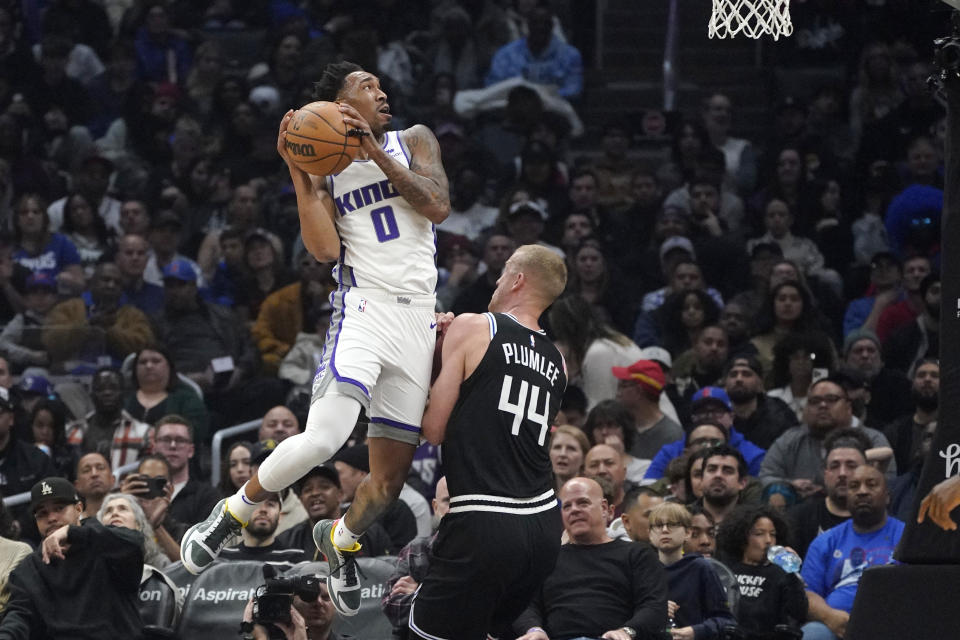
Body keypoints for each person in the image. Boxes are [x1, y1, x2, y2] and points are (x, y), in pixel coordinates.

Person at [180, 63, 452, 611]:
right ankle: (231, 513)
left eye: (380, 84)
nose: (382, 91)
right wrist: (298, 172)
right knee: (325, 438)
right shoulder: (325, 168)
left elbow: (437, 205)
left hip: (420, 317)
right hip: (364, 309)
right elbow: (326, 251)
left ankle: (340, 540)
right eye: (366, 86)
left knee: (389, 480)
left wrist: (374, 150)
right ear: (336, 105)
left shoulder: (413, 139)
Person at [404, 244, 567, 639]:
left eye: (502, 272)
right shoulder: (558, 360)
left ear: (518, 279)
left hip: (486, 517)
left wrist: (436, 352)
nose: (495, 281)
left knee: (423, 631)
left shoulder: (476, 325)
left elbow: (434, 430)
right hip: (543, 526)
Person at [513, 477, 668, 640]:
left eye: (583, 503)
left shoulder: (637, 555)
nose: (574, 510)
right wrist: (533, 630)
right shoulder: (546, 559)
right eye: (567, 506)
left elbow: (654, 606)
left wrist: (627, 631)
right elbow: (524, 604)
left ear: (605, 509)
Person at [0, 477, 144, 638]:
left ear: (78, 509)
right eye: (42, 513)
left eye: (59, 508)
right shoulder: (29, 569)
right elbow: (19, 615)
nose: (52, 518)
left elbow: (134, 543)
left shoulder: (106, 544)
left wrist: (72, 533)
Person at [800, 465, 904, 640]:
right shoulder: (826, 541)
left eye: (871, 485)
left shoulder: (906, 537)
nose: (862, 491)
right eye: (854, 486)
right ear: (847, 497)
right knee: (813, 633)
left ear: (887, 496)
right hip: (838, 627)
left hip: (895, 624)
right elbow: (807, 594)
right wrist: (830, 617)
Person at [759, 377, 895, 497]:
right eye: (815, 401)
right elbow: (765, 476)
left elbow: (888, 482)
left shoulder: (874, 439)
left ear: (848, 407)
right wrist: (790, 486)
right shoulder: (790, 440)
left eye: (831, 400)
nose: (822, 405)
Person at [716, 505, 807, 638]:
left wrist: (793, 575)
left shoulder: (781, 574)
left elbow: (799, 614)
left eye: (773, 534)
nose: (768, 540)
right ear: (742, 538)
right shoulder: (727, 570)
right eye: (759, 534)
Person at [648, 502, 735, 639]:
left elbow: (726, 621)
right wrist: (653, 610)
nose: (665, 530)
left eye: (672, 524)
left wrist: (696, 631)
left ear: (687, 533)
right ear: (650, 535)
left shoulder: (702, 568)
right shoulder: (642, 571)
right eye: (658, 526)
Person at [275, 463, 393, 563]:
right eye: (307, 489)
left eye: (324, 487)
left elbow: (387, 572)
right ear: (301, 499)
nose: (315, 493)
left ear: (340, 495)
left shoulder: (371, 533)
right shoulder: (288, 540)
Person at [381, 476, 451, 639]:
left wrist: (420, 593)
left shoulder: (486, 549)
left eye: (459, 501)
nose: (453, 509)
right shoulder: (417, 549)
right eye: (447, 501)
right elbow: (392, 607)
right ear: (435, 507)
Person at [66, 367, 153, 469]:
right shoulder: (72, 431)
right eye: (100, 389)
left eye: (113, 388)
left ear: (124, 393)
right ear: (91, 394)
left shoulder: (143, 433)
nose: (107, 393)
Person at [124, 345, 210, 441]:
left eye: (156, 361)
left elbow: (196, 433)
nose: (149, 366)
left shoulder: (187, 398)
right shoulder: (123, 397)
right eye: (143, 362)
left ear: (169, 366)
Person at [612, 359, 683, 460]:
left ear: (638, 391)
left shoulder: (672, 436)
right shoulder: (621, 426)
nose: (617, 393)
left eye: (622, 386)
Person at [218, 490, 303, 567]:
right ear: (242, 515)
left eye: (270, 504)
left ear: (280, 516)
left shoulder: (295, 560)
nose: (263, 510)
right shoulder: (223, 560)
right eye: (255, 504)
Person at [97, 492, 170, 569]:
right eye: (108, 511)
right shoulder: (93, 564)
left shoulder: (159, 563)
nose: (114, 513)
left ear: (138, 525)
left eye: (123, 509)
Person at [73, 451, 115, 520]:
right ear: (77, 485)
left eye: (100, 468)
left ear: (112, 479)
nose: (94, 474)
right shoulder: (74, 524)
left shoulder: (125, 519)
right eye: (86, 470)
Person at [548, 423, 590, 490]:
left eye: (571, 448)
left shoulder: (592, 491)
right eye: (557, 447)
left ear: (584, 458)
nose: (562, 454)